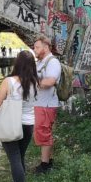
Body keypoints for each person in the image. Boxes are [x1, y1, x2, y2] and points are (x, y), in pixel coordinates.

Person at [0, 50, 38, 182]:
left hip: (11, 124)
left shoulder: (9, 81)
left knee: (14, 159)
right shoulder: (35, 82)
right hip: (28, 124)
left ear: (17, 63)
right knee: (20, 157)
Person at [33, 35, 61, 174]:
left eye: (37, 47)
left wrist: (32, 82)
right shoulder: (41, 62)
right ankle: (47, 161)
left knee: (44, 132)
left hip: (47, 104)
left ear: (46, 47)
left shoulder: (52, 62)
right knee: (42, 132)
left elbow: (50, 81)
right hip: (41, 103)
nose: (35, 50)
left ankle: (45, 165)